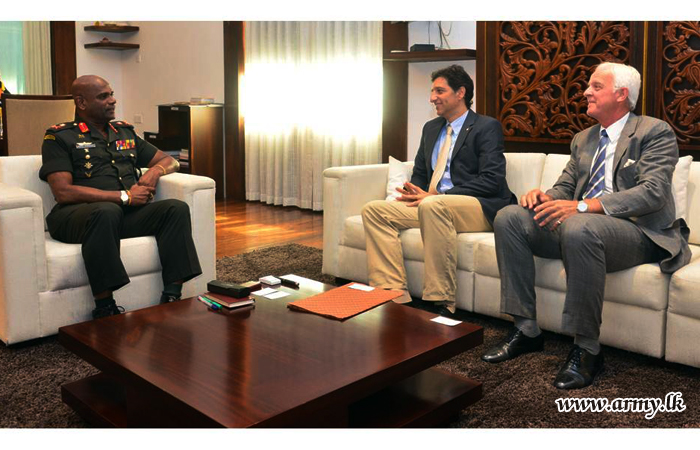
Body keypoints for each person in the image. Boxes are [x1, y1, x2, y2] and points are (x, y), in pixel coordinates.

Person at [481, 62, 691, 389]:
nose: (585, 92)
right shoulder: (584, 138)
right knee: (510, 217)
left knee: (580, 226)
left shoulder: (654, 131)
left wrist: (583, 207)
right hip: (583, 228)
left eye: (595, 86)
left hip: (638, 231)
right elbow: (565, 187)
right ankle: (526, 329)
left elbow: (653, 192)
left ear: (621, 94)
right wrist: (544, 197)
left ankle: (587, 349)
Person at [39, 75, 202, 319]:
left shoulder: (124, 132)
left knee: (175, 209)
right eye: (103, 96)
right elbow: (63, 192)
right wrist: (124, 197)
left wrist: (155, 172)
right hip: (75, 217)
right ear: (81, 103)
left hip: (120, 216)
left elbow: (170, 160)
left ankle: (171, 298)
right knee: (107, 210)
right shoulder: (60, 137)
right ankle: (105, 308)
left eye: (112, 94)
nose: (112, 100)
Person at [361, 65, 516, 316]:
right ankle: (391, 293)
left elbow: (492, 180)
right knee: (374, 210)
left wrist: (440, 196)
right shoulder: (431, 128)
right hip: (433, 205)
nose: (432, 98)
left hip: (479, 205)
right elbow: (421, 173)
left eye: (439, 91)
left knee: (433, 205)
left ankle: (441, 300)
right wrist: (413, 191)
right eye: (432, 91)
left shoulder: (486, 127)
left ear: (460, 93)